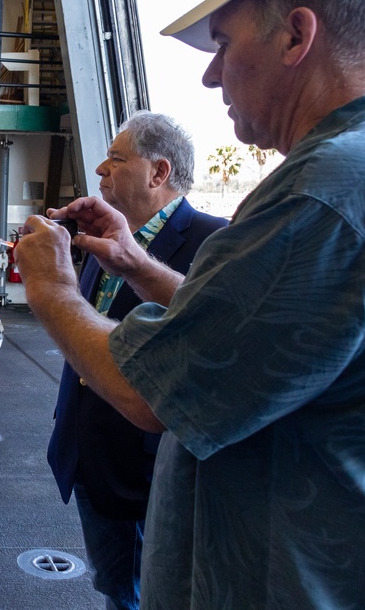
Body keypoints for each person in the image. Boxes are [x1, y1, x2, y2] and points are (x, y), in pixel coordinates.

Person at [16, 0, 365, 607]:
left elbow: (152, 390)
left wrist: (49, 285)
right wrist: (132, 261)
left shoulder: (321, 195)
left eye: (222, 41)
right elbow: (251, 341)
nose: (212, 76)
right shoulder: (354, 175)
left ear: (297, 34)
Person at [47, 111, 226, 610]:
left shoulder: (214, 244)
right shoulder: (105, 235)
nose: (101, 169)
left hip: (148, 473)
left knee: (145, 596)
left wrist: (48, 286)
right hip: (88, 455)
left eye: (116, 159)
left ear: (159, 172)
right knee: (115, 586)